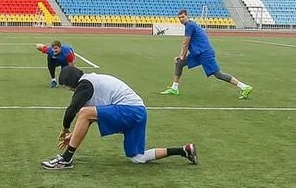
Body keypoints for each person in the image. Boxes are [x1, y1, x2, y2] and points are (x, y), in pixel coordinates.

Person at [42, 66, 198, 170]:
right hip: (138, 112)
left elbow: (73, 111)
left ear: (72, 81)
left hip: (130, 110)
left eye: (68, 85)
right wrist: (74, 135)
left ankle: (66, 159)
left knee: (84, 112)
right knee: (138, 158)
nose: (69, 89)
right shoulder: (91, 81)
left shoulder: (85, 84)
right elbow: (89, 119)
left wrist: (65, 129)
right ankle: (184, 150)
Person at [160, 9, 252, 99]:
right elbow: (186, 44)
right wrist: (181, 57)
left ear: (187, 16)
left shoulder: (189, 25)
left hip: (205, 53)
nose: (181, 19)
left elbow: (185, 43)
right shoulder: (190, 25)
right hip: (198, 53)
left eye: (183, 17)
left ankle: (244, 87)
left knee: (218, 74)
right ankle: (174, 88)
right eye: (179, 18)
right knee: (179, 63)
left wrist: (182, 56)